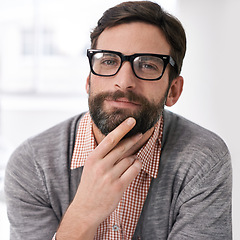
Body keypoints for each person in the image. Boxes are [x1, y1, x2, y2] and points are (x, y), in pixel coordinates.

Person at [4, 1, 232, 239]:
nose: (123, 82)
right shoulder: (32, 165)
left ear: (173, 91)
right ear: (89, 80)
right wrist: (83, 212)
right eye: (109, 61)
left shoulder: (203, 160)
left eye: (147, 65)